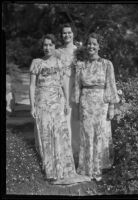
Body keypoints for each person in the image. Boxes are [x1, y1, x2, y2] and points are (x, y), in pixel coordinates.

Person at [29, 34, 90, 184]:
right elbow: (31, 86)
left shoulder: (59, 62)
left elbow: (63, 83)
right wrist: (32, 106)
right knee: (46, 135)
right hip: (42, 103)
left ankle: (65, 170)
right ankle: (51, 172)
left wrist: (66, 103)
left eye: (50, 45)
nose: (47, 47)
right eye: (45, 45)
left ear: (54, 46)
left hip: (58, 102)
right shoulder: (37, 62)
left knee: (60, 135)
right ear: (42, 47)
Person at [73, 33, 120, 181]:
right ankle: (86, 168)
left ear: (99, 46)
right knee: (87, 135)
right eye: (89, 44)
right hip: (86, 104)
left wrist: (112, 107)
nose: (91, 46)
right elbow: (77, 87)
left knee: (100, 135)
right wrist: (76, 106)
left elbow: (111, 85)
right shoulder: (81, 65)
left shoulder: (107, 64)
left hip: (101, 104)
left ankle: (98, 168)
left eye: (94, 44)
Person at [56, 23, 80, 161]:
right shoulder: (58, 52)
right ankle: (65, 152)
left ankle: (77, 151)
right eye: (64, 33)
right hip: (62, 86)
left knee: (75, 120)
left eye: (69, 32)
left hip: (75, 86)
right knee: (64, 118)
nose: (67, 35)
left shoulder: (79, 51)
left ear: (73, 34)